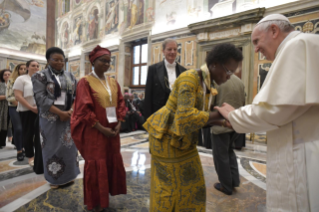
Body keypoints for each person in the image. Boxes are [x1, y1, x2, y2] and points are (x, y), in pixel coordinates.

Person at [215, 14, 319, 211]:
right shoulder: (309, 42)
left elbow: (275, 109)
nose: (255, 49)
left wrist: (233, 116)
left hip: (301, 154)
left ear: (273, 30)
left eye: (256, 41)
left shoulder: (296, 46)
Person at [143, 43, 243, 211]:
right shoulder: (190, 78)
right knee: (169, 190)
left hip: (184, 140)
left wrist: (221, 122)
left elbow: (199, 116)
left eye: (233, 73)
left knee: (193, 187)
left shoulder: (207, 83)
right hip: (166, 138)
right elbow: (185, 118)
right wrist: (221, 114)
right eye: (228, 71)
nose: (229, 77)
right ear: (214, 64)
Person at [71, 45, 127, 212]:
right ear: (93, 62)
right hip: (95, 131)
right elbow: (83, 109)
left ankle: (106, 196)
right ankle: (95, 201)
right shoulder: (85, 82)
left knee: (109, 160)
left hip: (112, 131)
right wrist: (101, 128)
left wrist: (119, 122)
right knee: (96, 163)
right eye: (103, 60)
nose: (106, 64)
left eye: (109, 61)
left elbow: (121, 103)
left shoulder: (112, 82)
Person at [32, 47, 80, 188]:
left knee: (69, 147)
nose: (60, 62)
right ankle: (55, 179)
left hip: (68, 118)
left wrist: (70, 111)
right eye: (56, 60)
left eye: (62, 60)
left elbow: (77, 96)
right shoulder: (40, 76)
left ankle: (69, 175)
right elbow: (40, 98)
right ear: (48, 60)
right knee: (52, 148)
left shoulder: (70, 76)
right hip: (49, 119)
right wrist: (60, 113)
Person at [211, 74, 245, 195]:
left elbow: (211, 103)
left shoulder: (217, 80)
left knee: (221, 156)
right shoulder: (239, 81)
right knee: (230, 151)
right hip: (235, 124)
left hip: (221, 124)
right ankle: (234, 181)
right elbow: (243, 102)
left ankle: (226, 186)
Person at [144, 38, 186, 120]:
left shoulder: (183, 71)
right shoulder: (153, 69)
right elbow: (148, 95)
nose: (172, 52)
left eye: (175, 49)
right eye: (169, 49)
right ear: (163, 51)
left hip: (177, 115)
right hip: (159, 114)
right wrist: (148, 118)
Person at [13, 60, 43, 174]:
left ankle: (39, 157)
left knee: (39, 134)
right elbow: (18, 96)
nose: (36, 67)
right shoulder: (21, 79)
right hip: (26, 110)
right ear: (27, 67)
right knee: (28, 133)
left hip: (39, 110)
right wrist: (31, 107)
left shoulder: (41, 78)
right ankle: (30, 157)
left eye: (37, 66)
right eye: (33, 66)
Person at [6, 64, 27, 160]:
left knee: (26, 129)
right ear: (17, 70)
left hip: (26, 107)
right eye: (21, 69)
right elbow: (9, 96)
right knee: (18, 128)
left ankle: (25, 148)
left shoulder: (28, 80)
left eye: (24, 69)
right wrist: (19, 103)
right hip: (14, 107)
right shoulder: (11, 80)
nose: (23, 70)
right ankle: (19, 150)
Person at [0, 69, 11, 149]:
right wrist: (8, 97)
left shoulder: (14, 84)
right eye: (5, 74)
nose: (7, 76)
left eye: (9, 74)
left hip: (12, 106)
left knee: (8, 125)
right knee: (2, 124)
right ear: (2, 76)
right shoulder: (1, 85)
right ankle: (1, 143)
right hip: (2, 107)